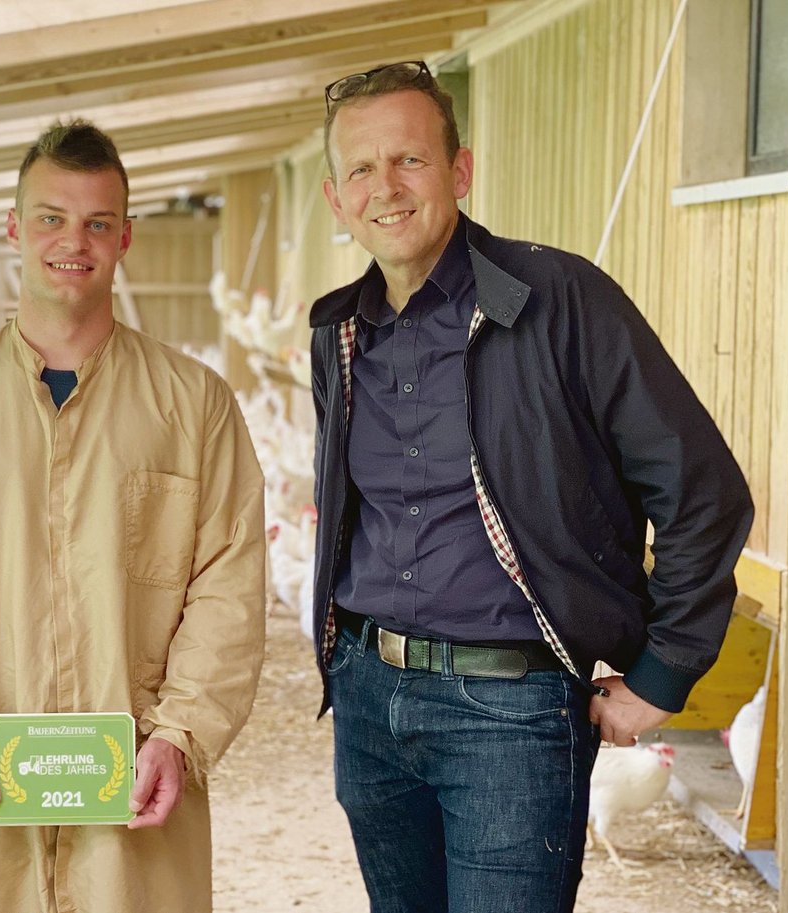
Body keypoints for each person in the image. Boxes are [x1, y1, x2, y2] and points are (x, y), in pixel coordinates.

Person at [307, 61, 753, 912]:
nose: (385, 187)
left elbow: (703, 491)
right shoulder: (337, 329)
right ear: (336, 198)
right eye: (360, 168)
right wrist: (339, 658)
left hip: (508, 710)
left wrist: (664, 674)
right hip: (371, 703)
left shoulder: (560, 300)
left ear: (460, 171)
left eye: (410, 160)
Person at [0, 119, 266, 913]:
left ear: (125, 239)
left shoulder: (193, 406)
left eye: (96, 223)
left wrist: (180, 733)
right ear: (14, 228)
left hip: (138, 793)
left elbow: (230, 584)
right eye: (50, 217)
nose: (71, 241)